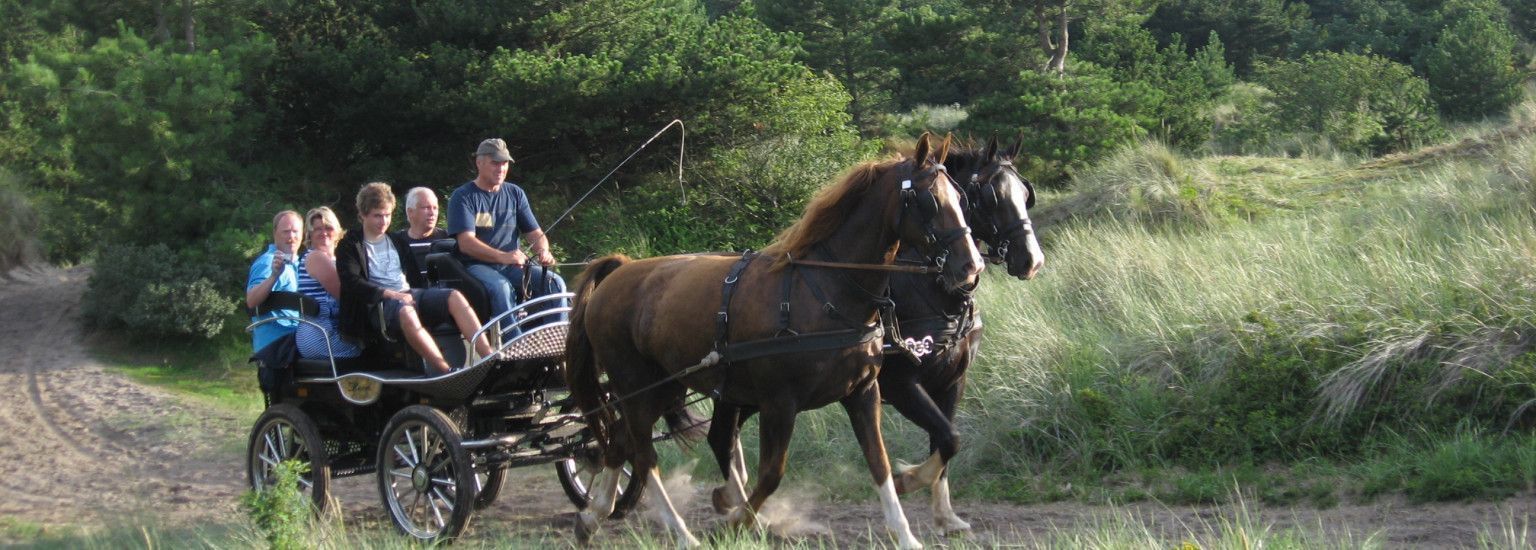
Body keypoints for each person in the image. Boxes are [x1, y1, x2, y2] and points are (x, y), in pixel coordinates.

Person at [336, 182, 497, 375]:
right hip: (379, 305)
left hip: (408, 294)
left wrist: (428, 299)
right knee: (407, 312)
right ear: (362, 215)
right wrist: (391, 294)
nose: (383, 221)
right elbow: (351, 283)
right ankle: (446, 371)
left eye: (387, 215)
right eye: (377, 215)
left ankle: (489, 358)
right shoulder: (350, 245)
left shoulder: (396, 241)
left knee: (453, 296)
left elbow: (414, 279)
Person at [446, 138, 567, 338]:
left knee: (555, 283)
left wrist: (543, 251)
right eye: (495, 163)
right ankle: (515, 344)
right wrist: (504, 256)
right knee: (501, 288)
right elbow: (466, 243)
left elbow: (535, 234)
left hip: (512, 265)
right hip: (476, 266)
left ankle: (555, 339)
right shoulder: (463, 197)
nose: (501, 168)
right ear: (479, 163)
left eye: (504, 163)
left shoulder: (515, 193)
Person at [294, 206, 361, 360]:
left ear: (337, 230)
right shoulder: (317, 257)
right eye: (317, 229)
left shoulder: (335, 259)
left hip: (326, 331)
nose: (324, 233)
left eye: (328, 227)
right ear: (309, 234)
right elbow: (345, 296)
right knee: (373, 349)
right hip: (319, 335)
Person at [245, 210, 303, 352]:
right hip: (277, 346)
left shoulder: (300, 264)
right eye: (286, 232)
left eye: (295, 231)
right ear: (274, 233)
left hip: (297, 339)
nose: (291, 236)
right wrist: (273, 276)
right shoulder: (269, 262)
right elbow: (251, 301)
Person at [396, 186, 448, 280]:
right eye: (426, 208)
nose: (432, 213)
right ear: (410, 211)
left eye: (435, 208)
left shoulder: (448, 239)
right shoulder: (395, 242)